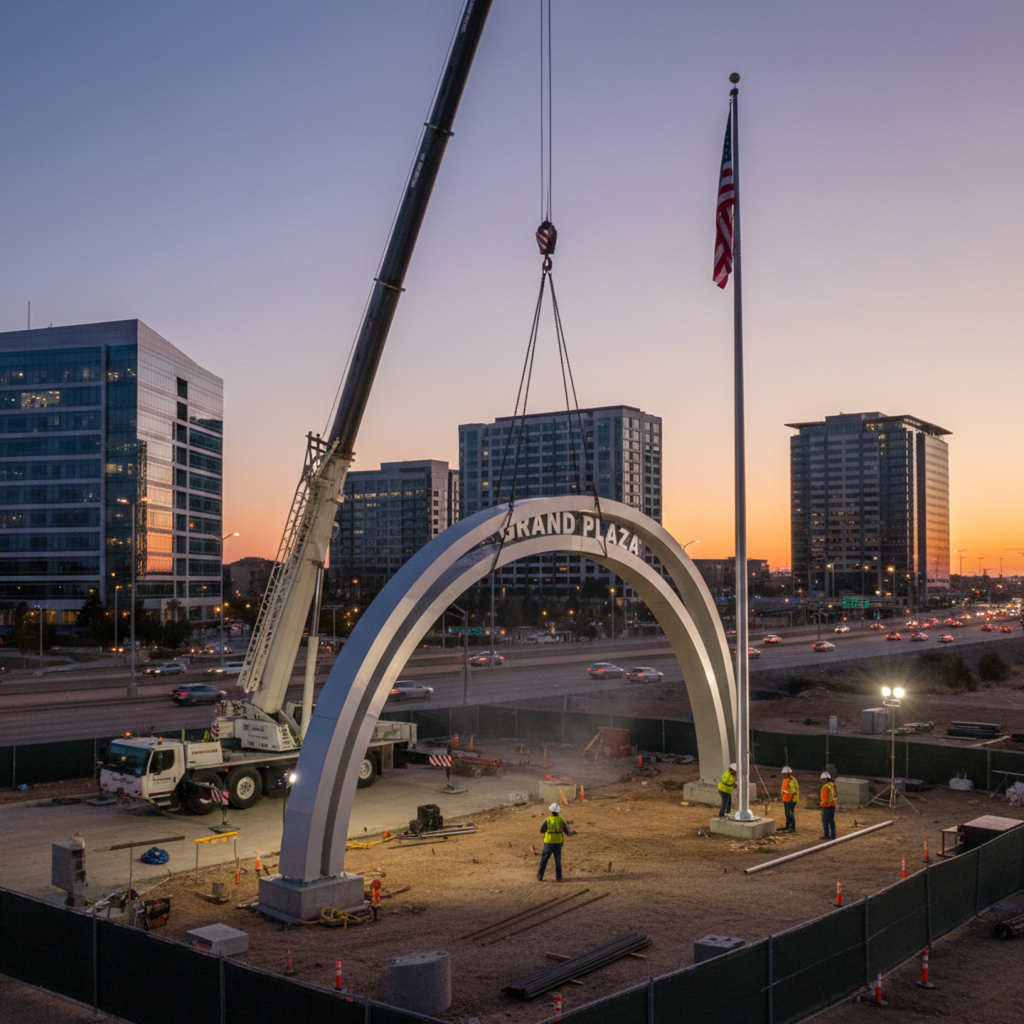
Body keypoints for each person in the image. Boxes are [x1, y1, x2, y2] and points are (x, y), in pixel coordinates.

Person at [537, 802, 575, 881]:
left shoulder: (547, 820)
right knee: (558, 860)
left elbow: (541, 830)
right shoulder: (561, 820)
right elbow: (567, 832)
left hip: (548, 842)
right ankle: (559, 877)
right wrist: (573, 832)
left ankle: (540, 876)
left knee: (544, 859)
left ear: (551, 811)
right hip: (558, 843)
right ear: (558, 812)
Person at [781, 766, 799, 832]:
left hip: (791, 800)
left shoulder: (791, 780)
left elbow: (793, 791)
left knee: (790, 813)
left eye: (784, 773)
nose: (783, 774)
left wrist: (791, 800)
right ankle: (787, 826)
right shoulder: (786, 779)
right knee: (787, 813)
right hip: (786, 799)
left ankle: (793, 828)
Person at [820, 771, 837, 840]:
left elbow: (824, 799)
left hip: (826, 806)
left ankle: (826, 835)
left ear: (825, 779)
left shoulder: (825, 787)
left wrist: (821, 805)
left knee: (825, 821)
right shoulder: (832, 785)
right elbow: (835, 795)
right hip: (832, 805)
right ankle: (833, 835)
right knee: (831, 820)